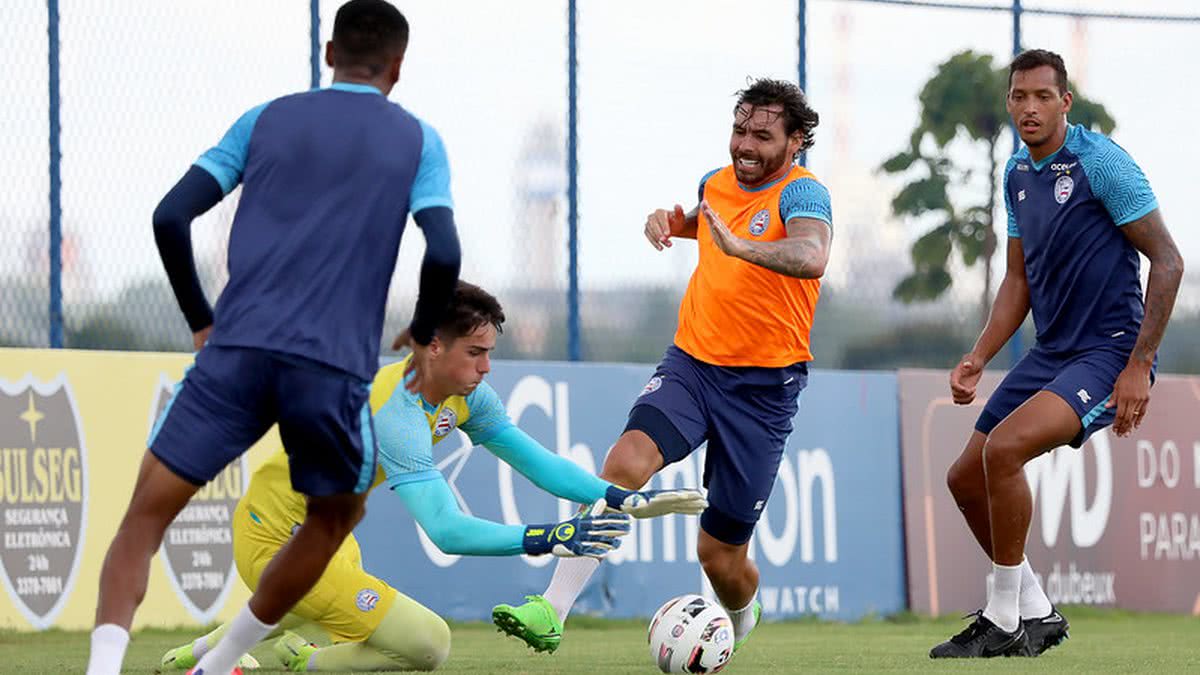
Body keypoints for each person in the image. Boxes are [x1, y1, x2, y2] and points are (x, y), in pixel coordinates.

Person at [84, 2, 464, 674]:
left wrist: (202, 318)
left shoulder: (265, 118)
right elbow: (443, 250)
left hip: (235, 353)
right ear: (398, 66)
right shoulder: (419, 140)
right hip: (329, 369)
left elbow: (170, 215)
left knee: (143, 517)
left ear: (328, 54)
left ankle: (103, 668)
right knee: (334, 516)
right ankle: (218, 663)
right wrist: (426, 325)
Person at [157, 281, 706, 672]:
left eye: (490, 353)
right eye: (476, 353)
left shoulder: (465, 394)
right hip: (274, 542)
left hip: (328, 542)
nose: (487, 368)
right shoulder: (397, 412)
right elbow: (444, 528)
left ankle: (205, 653)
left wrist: (618, 496)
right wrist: (545, 537)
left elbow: (536, 462)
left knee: (307, 608)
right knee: (427, 643)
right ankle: (305, 665)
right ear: (433, 347)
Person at [492, 77, 833, 655]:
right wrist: (672, 224)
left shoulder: (804, 194)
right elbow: (710, 220)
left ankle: (740, 622)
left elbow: (811, 252)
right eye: (739, 130)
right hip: (693, 366)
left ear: (796, 140)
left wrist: (743, 249)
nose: (745, 145)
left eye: (763, 135)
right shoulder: (715, 182)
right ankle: (551, 609)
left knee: (720, 558)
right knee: (624, 460)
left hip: (764, 390)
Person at [930, 49, 1184, 659]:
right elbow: (1017, 281)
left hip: (1108, 352)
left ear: (1065, 102)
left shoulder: (1102, 165)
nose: (1029, 108)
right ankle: (1036, 610)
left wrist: (1140, 365)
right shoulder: (1017, 171)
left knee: (1005, 449)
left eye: (1043, 96)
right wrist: (980, 355)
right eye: (1019, 96)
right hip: (1052, 352)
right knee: (964, 476)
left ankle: (1002, 617)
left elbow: (1170, 262)